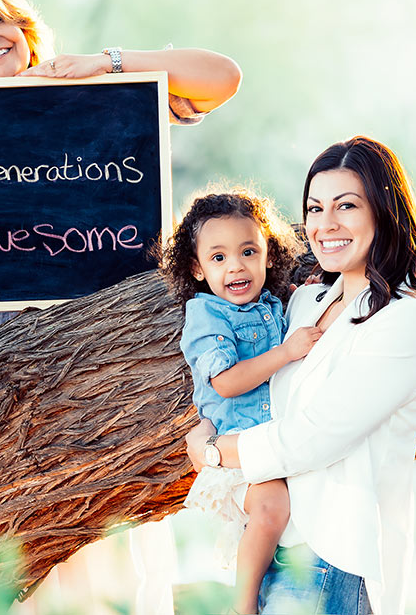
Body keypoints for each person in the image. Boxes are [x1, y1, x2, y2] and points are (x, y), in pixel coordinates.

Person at [0, 0, 243, 383]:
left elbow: (223, 76)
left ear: (20, 26)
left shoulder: (91, 98)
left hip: (96, 349)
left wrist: (107, 64)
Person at [185, 136, 416, 614]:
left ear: (384, 212)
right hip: (273, 540)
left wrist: (212, 450)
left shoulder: (408, 322)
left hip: (334, 553)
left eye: (345, 206)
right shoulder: (305, 303)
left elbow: (314, 437)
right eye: (314, 208)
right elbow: (253, 378)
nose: (325, 225)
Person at [163, 189, 320, 614]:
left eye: (248, 251)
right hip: (236, 448)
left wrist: (307, 294)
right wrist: (286, 353)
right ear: (196, 268)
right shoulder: (207, 315)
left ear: (269, 255)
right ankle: (243, 604)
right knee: (272, 508)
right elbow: (227, 383)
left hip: (272, 442)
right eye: (218, 258)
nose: (235, 265)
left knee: (284, 513)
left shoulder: (271, 303)